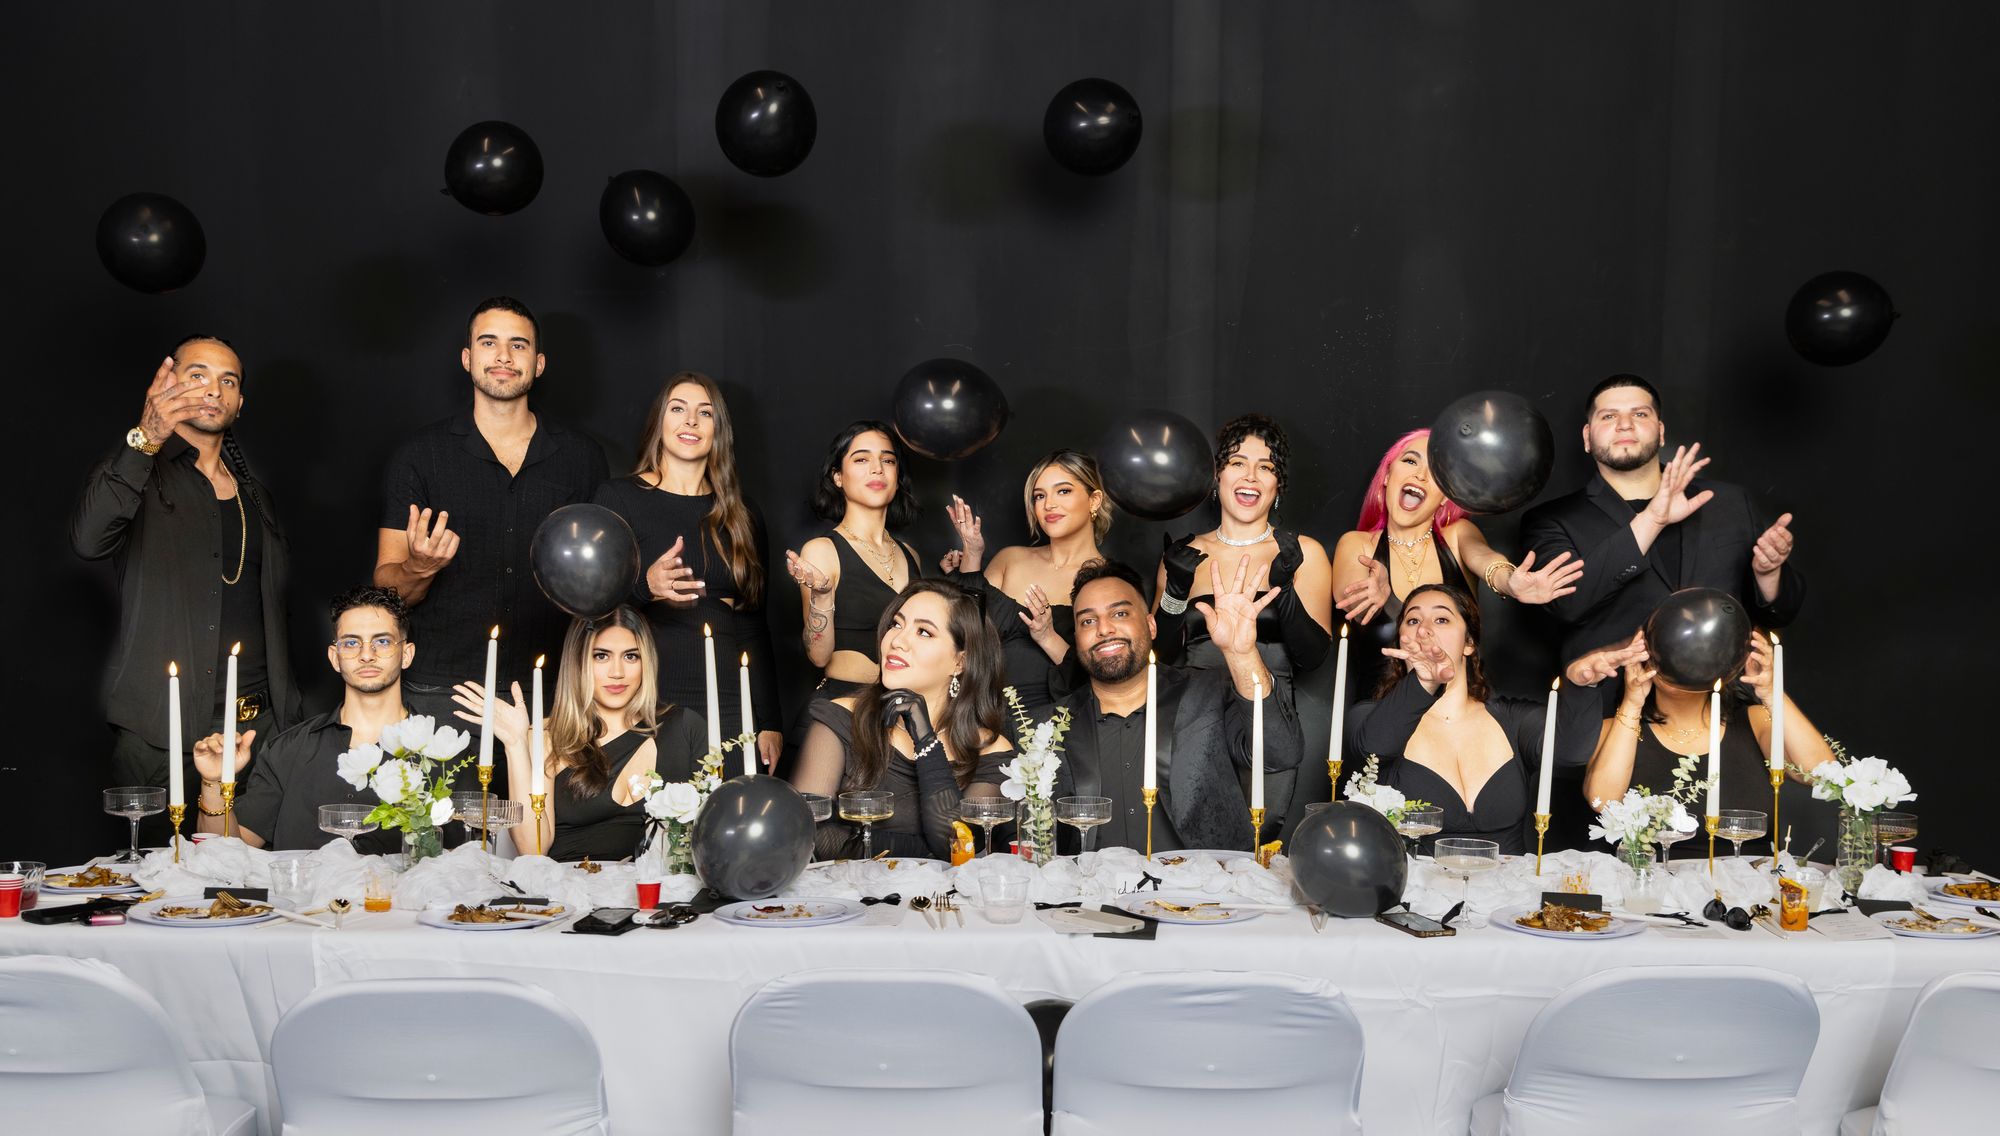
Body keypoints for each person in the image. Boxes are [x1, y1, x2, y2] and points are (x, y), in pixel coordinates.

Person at [73, 337, 301, 844]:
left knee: (250, 880)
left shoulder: (255, 497)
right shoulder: (135, 471)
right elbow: (88, 541)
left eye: (228, 381)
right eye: (198, 375)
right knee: (155, 878)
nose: (214, 390)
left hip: (258, 730)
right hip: (161, 733)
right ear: (168, 385)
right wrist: (146, 438)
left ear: (239, 403)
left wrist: (287, 718)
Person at [374, 296, 609, 753]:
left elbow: (601, 581)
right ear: (467, 358)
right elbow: (387, 589)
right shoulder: (420, 456)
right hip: (442, 694)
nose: (503, 356)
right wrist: (419, 567)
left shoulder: (582, 458)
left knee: (542, 806)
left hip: (552, 690)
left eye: (518, 345)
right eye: (488, 343)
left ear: (538, 364)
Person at [1521, 374, 1803, 673]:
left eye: (1640, 414)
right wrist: (1653, 519)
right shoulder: (1551, 521)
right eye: (1609, 416)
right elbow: (1568, 604)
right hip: (1614, 697)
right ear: (1587, 438)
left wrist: (1768, 575)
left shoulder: (1729, 502)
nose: (1625, 424)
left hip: (1720, 694)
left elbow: (1781, 614)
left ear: (1661, 431)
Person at [593, 372, 783, 770]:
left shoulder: (743, 514)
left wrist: (768, 721)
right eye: (677, 409)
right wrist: (645, 587)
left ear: (719, 430)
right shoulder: (618, 498)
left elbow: (752, 626)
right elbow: (590, 608)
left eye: (705, 413)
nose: (691, 421)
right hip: (647, 694)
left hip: (728, 701)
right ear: (659, 423)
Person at [1151, 415, 1330, 830]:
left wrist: (1284, 589)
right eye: (1237, 463)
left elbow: (1313, 656)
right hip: (1191, 720)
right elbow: (1163, 656)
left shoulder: (1303, 552)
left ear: (1277, 485)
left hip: (1267, 719)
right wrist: (1175, 591)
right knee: (1191, 839)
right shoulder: (1183, 555)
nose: (1251, 476)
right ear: (1217, 476)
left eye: (1265, 467)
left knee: (1257, 839)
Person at [1052, 557, 1301, 854]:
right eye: (1087, 621)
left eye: (1120, 613)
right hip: (1092, 883)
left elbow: (1280, 754)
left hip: (1205, 881)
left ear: (1151, 625)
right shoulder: (1047, 727)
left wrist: (1241, 654)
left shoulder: (1209, 692)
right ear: (1077, 638)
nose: (1104, 629)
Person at [1330, 428, 1584, 700]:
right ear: (1387, 476)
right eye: (1411, 461)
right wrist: (1371, 598)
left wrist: (1510, 582)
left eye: (1436, 471)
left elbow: (1485, 559)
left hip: (1460, 715)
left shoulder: (1456, 536)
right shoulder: (1357, 544)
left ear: (1445, 496)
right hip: (1381, 715)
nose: (1421, 475)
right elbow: (1352, 603)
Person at [1347, 583, 1597, 855]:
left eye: (1441, 619)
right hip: (1414, 882)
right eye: (1413, 620)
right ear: (1400, 640)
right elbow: (1374, 746)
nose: (1424, 629)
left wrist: (1584, 688)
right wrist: (1425, 682)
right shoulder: (1368, 716)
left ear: (1469, 643)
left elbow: (1572, 751)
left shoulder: (1513, 720)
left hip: (1507, 882)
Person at [452, 606, 707, 861]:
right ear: (577, 662)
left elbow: (711, 835)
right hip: (572, 882)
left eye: (631, 656)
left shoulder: (684, 727)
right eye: (601, 656)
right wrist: (515, 743)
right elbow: (533, 850)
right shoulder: (548, 736)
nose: (617, 672)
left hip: (658, 885)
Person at [790, 580, 1012, 859]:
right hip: (851, 888)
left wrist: (925, 739)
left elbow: (957, 846)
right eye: (896, 624)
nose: (896, 641)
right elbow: (803, 835)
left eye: (923, 632)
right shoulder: (841, 720)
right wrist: (921, 853)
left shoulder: (989, 749)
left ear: (960, 662)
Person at [189, 587, 411, 852]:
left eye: (382, 641)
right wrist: (213, 782)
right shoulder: (287, 750)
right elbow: (226, 853)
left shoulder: (444, 752)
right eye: (351, 643)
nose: (366, 654)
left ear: (406, 654)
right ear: (335, 658)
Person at [1581, 629, 1834, 855]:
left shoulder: (1755, 721)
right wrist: (1632, 702)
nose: (1682, 661)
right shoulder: (1617, 727)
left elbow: (1822, 774)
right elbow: (1603, 802)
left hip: (1750, 883)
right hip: (1655, 884)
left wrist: (1771, 692)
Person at [942, 449, 1110, 710]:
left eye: (1063, 491)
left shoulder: (1109, 580)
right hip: (979, 712)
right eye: (1039, 496)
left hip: (1055, 724)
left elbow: (1106, 678)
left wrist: (1048, 636)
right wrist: (972, 556)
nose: (1049, 505)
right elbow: (963, 633)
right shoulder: (1010, 559)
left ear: (1094, 500)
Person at [783, 421, 927, 705]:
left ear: (897, 476)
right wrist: (822, 596)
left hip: (903, 709)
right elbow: (818, 656)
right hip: (845, 708)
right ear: (838, 476)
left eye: (888, 460)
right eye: (861, 459)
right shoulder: (822, 551)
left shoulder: (911, 555)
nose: (877, 469)